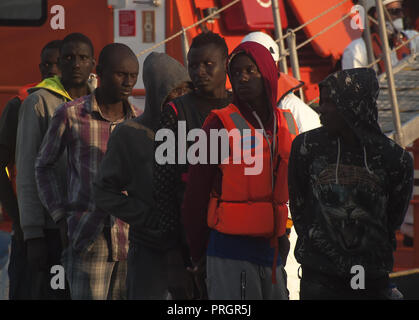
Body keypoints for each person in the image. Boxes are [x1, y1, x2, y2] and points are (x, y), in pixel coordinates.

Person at [181, 41, 298, 300]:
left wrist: (285, 235)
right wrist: (198, 254)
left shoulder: (287, 123)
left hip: (273, 253)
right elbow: (196, 195)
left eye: (250, 71)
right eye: (235, 73)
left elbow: (298, 192)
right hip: (228, 251)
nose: (242, 78)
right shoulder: (218, 125)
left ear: (267, 73)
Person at [288, 68, 413, 299]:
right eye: (321, 101)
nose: (321, 109)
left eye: (329, 103)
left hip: (370, 277)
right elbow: (299, 207)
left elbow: (392, 219)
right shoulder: (306, 148)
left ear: (353, 106)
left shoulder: (395, 159)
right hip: (319, 276)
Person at [35, 43, 140, 300]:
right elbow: (43, 165)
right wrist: (60, 216)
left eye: (133, 76)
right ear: (101, 72)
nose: (128, 82)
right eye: (120, 74)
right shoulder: (71, 114)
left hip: (131, 242)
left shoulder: (138, 121)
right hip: (87, 239)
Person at [94, 52, 192, 300]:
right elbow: (103, 191)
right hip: (150, 249)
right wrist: (147, 217)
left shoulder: (197, 131)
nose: (182, 98)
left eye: (186, 90)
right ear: (158, 92)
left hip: (191, 249)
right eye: (175, 91)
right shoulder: (130, 135)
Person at [16, 33, 97, 300]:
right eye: (69, 58)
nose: (76, 64)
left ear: (92, 64)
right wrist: (33, 234)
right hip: (51, 229)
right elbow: (28, 171)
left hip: (89, 226)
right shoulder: (38, 103)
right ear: (59, 63)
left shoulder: (98, 103)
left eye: (83, 58)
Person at [152, 31, 233, 299]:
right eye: (193, 65)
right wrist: (173, 257)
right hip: (190, 251)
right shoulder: (174, 114)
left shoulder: (243, 110)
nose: (199, 72)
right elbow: (163, 190)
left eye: (208, 64)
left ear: (226, 63)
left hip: (237, 245)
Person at [241, 31, 321, 300]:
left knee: (286, 286)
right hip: (249, 222)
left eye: (251, 68)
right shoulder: (239, 113)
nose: (244, 76)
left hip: (287, 221)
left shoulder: (298, 114)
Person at [0, 39, 62, 300]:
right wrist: (18, 217)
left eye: (57, 63)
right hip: (28, 225)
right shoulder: (20, 105)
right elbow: (3, 166)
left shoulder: (79, 106)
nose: (51, 69)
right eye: (46, 64)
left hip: (59, 226)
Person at [342, 0, 419, 71]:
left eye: (402, 10)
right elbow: (354, 84)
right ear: (377, 15)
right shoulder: (357, 49)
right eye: (395, 11)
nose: (401, 15)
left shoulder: (412, 38)